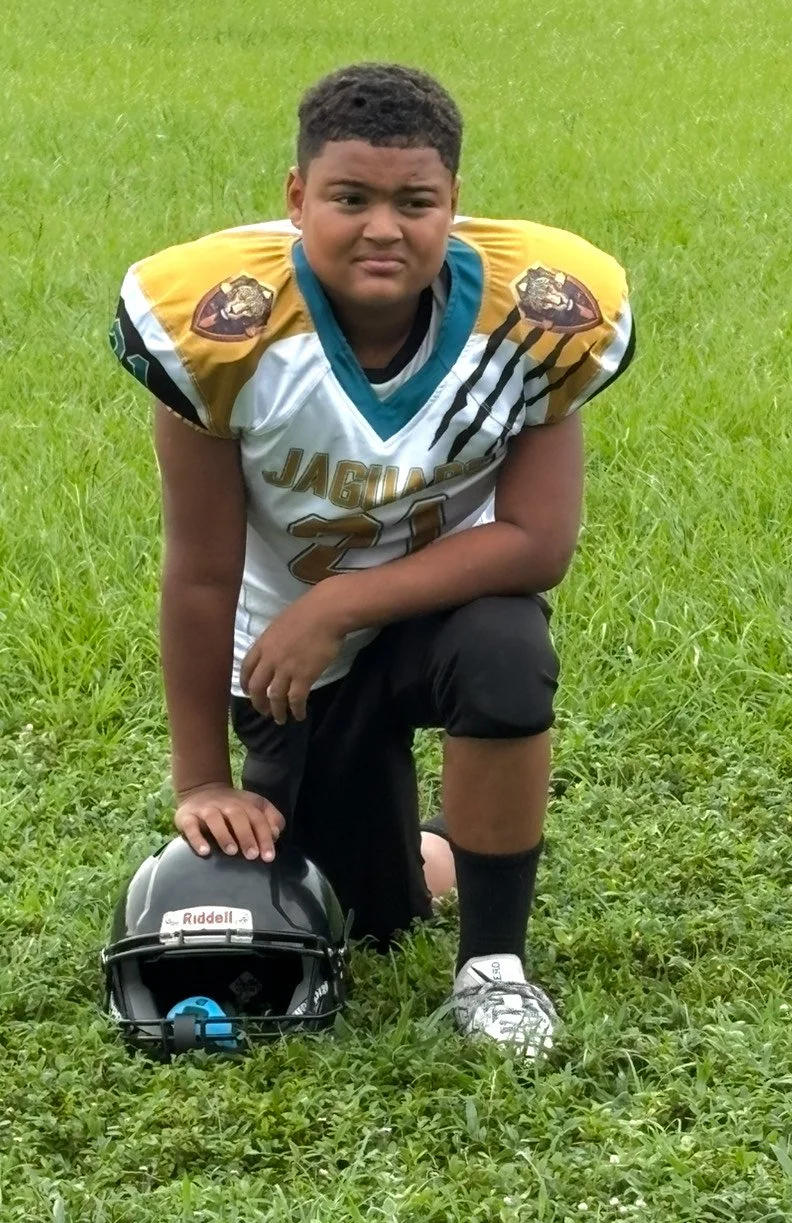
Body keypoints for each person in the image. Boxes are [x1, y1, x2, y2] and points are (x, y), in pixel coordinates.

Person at [110, 62, 634, 1054]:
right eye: (349, 198)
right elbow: (201, 570)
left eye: (415, 201)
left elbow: (536, 542)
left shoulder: (534, 317)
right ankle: (434, 846)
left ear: (454, 206)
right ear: (298, 196)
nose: (383, 227)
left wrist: (345, 598)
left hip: (429, 617)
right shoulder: (225, 327)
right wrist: (200, 781)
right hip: (291, 671)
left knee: (505, 644)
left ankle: (495, 967)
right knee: (373, 910)